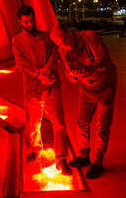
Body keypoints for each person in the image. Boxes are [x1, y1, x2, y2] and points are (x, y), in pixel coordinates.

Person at [50, 23, 117, 179]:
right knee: (82, 122)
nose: (65, 45)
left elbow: (103, 63)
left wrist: (82, 69)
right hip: (87, 87)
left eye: (65, 40)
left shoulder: (90, 37)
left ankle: (98, 163)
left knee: (102, 125)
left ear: (69, 31)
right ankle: (84, 156)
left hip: (104, 86)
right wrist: (74, 74)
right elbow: (71, 77)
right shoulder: (63, 49)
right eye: (60, 44)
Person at [11, 6, 72, 175]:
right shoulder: (17, 41)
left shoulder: (47, 36)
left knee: (59, 123)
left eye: (32, 20)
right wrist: (39, 73)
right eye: (26, 21)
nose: (30, 24)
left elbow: (55, 53)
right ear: (20, 22)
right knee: (33, 123)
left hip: (52, 85)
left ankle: (61, 158)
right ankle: (36, 150)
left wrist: (47, 69)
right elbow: (21, 63)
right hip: (32, 88)